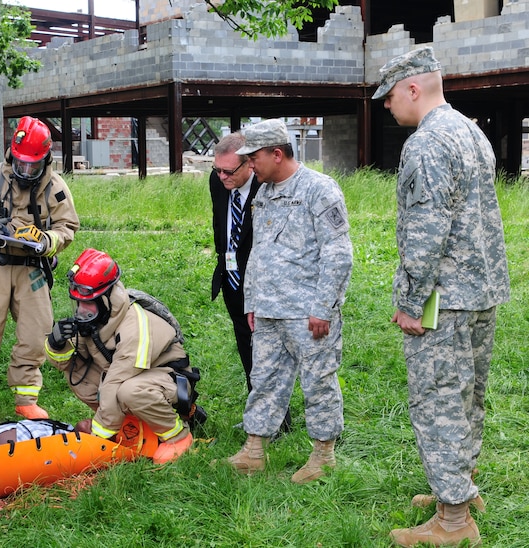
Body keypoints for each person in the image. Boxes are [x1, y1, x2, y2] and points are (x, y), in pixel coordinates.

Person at [373, 46, 510, 547]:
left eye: (389, 96)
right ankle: (460, 487)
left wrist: (410, 302)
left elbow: (427, 232)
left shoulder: (428, 142)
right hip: (480, 290)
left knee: (438, 400)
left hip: (444, 297)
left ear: (413, 88)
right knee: (468, 395)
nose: (386, 106)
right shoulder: (469, 130)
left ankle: (453, 521)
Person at [226, 119, 353, 484]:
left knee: (318, 383)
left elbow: (338, 253)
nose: (250, 165)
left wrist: (323, 308)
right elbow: (259, 251)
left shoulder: (319, 189)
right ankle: (254, 449)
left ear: (277, 154)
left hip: (307, 313)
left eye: (255, 158)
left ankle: (323, 455)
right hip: (267, 311)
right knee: (263, 378)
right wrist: (252, 301)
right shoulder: (264, 192)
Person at [0, 116, 79, 420]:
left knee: (35, 334)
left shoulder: (55, 186)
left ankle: (26, 399)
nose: (26, 171)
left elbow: (68, 226)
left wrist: (46, 241)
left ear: (45, 160)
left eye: (33, 166)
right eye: (21, 164)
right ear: (11, 154)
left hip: (33, 269)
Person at [45, 248, 197, 464]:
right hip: (129, 376)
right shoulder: (98, 316)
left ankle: (177, 436)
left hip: (169, 379)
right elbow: (70, 364)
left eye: (87, 303)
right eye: (78, 303)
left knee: (129, 391)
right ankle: (125, 425)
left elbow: (116, 381)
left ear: (106, 299)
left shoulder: (134, 325)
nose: (81, 310)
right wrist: (56, 343)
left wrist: (96, 440)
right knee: (79, 375)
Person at [209, 132, 290, 433]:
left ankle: (279, 420)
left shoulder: (268, 185)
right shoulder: (218, 181)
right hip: (232, 277)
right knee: (246, 345)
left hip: (264, 282)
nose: (222, 176)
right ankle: (260, 413)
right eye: (217, 170)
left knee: (268, 349)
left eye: (229, 171)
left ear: (250, 165)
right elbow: (220, 222)